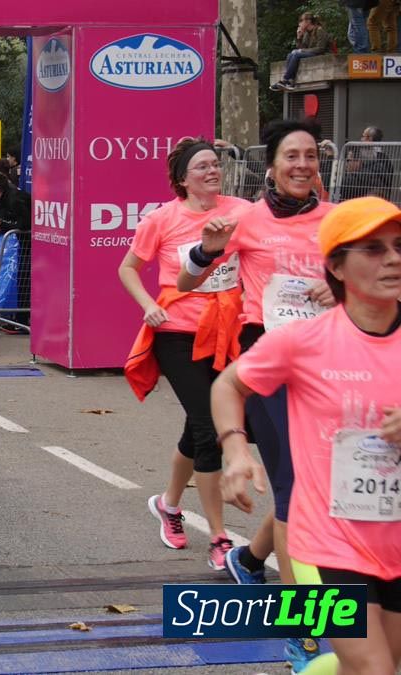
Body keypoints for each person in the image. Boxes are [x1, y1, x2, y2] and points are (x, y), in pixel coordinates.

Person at [213, 196, 401, 675]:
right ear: (336, 266)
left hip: (395, 538)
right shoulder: (303, 341)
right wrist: (236, 450)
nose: (394, 258)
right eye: (374, 249)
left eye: (399, 246)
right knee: (375, 670)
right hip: (328, 542)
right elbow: (229, 384)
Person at [179, 118, 336, 673]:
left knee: (320, 484)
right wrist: (207, 250)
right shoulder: (246, 219)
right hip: (265, 364)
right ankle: (306, 634)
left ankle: (250, 558)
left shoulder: (338, 221)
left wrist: (337, 287)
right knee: (297, 490)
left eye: (310, 156)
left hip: (329, 368)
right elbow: (184, 283)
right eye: (291, 156)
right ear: (270, 166)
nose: (301, 165)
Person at [120, 138, 249, 571]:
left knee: (198, 431)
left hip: (227, 332)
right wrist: (148, 305)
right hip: (177, 334)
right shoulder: (162, 219)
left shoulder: (240, 211)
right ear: (182, 178)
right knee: (209, 427)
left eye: (216, 165)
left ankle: (169, 504)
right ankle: (219, 537)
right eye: (202, 167)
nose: (213, 172)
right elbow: (128, 268)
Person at [271, 12, 332, 92]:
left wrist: (301, 50)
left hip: (320, 54)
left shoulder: (319, 30)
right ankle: (289, 81)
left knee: (296, 54)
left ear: (308, 22)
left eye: (301, 21)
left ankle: (286, 80)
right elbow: (303, 48)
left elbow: (321, 48)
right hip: (311, 54)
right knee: (290, 55)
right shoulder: (307, 33)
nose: (300, 23)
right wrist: (299, 37)